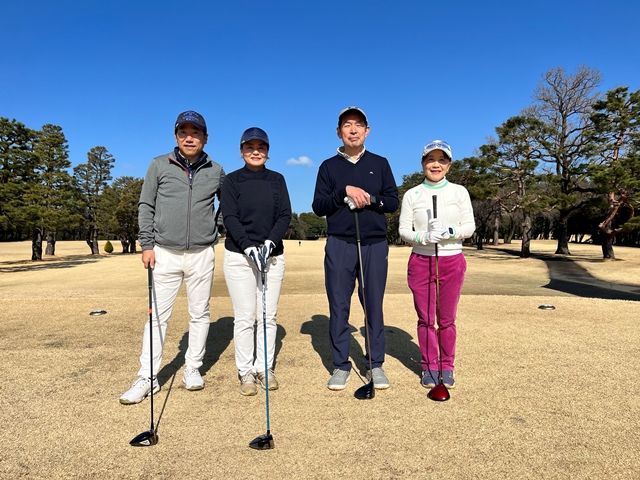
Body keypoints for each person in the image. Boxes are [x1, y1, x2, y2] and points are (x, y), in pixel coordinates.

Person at [120, 111, 225, 404]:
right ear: (176, 137)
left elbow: (227, 204)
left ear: (205, 138)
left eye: (195, 133)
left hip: (202, 252)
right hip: (164, 251)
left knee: (199, 314)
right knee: (157, 316)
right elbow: (146, 204)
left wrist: (215, 228)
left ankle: (192, 368)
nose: (189, 138)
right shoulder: (158, 164)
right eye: (183, 133)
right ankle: (147, 376)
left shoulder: (216, 170)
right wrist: (146, 244)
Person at [312, 106, 399, 391]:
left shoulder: (380, 163)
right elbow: (318, 206)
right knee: (339, 305)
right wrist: (343, 192)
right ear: (339, 132)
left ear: (367, 131)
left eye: (358, 125)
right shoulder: (328, 167)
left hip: (374, 243)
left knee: (373, 304)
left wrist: (370, 198)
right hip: (340, 243)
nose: (353, 130)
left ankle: (375, 364)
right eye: (347, 125)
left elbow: (392, 202)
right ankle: (340, 365)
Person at [398, 140, 475, 389]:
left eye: (442, 160)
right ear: (423, 163)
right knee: (425, 319)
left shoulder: (459, 192)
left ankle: (447, 366)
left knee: (447, 319)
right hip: (421, 260)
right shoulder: (412, 194)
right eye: (431, 159)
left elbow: (469, 227)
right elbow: (403, 230)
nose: (436, 165)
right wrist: (423, 236)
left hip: (452, 259)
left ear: (449, 165)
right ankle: (429, 365)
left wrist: (450, 232)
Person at [221, 127, 292, 396]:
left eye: (261, 147)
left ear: (267, 152)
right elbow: (230, 217)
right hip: (239, 256)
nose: (255, 152)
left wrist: (270, 242)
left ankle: (264, 367)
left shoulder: (277, 179)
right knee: (244, 317)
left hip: (271, 257)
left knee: (267, 316)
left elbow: (284, 215)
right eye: (250, 147)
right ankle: (246, 371)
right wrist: (248, 246)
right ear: (241, 151)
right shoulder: (232, 180)